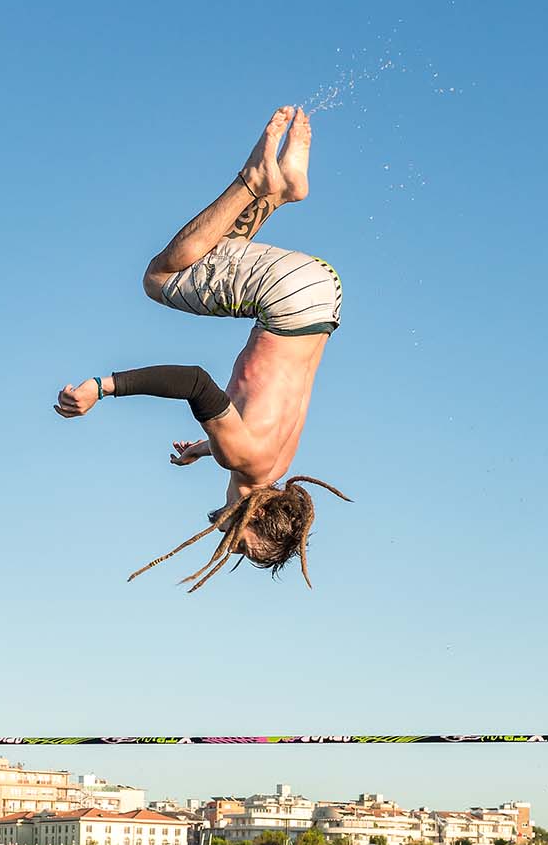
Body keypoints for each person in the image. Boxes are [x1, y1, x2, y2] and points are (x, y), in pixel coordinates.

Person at [54, 106, 350, 590]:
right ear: (257, 515)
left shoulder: (274, 465)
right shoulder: (241, 459)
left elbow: (248, 429)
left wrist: (199, 449)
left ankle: (282, 190)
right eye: (241, 542)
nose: (227, 538)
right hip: (288, 297)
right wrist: (101, 388)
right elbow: (195, 382)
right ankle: (255, 180)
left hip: (320, 300)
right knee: (159, 279)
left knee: (210, 253)